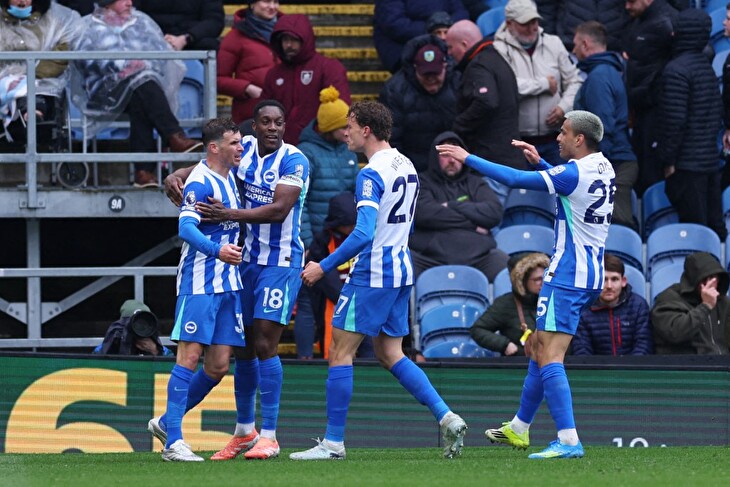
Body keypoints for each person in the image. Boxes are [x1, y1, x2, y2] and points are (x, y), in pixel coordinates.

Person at [290, 100, 467, 461]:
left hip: (373, 272)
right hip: (401, 268)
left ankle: (333, 443)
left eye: (350, 126)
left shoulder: (370, 173)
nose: (346, 133)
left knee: (340, 352)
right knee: (390, 353)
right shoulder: (407, 164)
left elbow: (363, 233)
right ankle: (446, 417)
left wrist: (323, 266)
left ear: (366, 130)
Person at [437, 109, 614, 459]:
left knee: (550, 354)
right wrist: (543, 164)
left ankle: (568, 439)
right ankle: (519, 427)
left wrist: (467, 157)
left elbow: (514, 178)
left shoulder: (573, 172)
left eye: (564, 133)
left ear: (579, 139)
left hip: (567, 275)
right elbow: (570, 187)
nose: (558, 138)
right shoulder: (603, 166)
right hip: (590, 272)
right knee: (539, 346)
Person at [164, 99, 309, 461]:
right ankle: (242, 431)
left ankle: (270, 436)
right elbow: (206, 167)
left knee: (262, 343)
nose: (273, 128)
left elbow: (279, 210)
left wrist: (228, 213)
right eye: (266, 122)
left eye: (279, 122)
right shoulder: (238, 160)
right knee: (238, 350)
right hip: (234, 266)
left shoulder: (293, 160)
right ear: (253, 128)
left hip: (278, 262)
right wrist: (176, 173)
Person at [148, 117, 246, 462]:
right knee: (188, 357)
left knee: (217, 367)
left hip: (228, 282)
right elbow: (186, 228)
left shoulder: (229, 175)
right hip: (200, 281)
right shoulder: (201, 182)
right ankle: (173, 441)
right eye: (234, 143)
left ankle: (165, 422)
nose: (241, 148)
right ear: (215, 147)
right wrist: (217, 251)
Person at [71, 0, 203, 187]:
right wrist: (122, 66)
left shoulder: (142, 21)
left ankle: (144, 173)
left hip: (141, 88)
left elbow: (161, 53)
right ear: (108, 3)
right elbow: (85, 60)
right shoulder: (87, 26)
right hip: (104, 91)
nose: (129, 3)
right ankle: (173, 137)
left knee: (140, 94)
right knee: (143, 86)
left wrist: (141, 66)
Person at [295, 86, 359, 359]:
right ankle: (304, 358)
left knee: (342, 298)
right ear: (329, 127)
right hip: (317, 242)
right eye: (343, 127)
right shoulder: (306, 154)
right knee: (308, 302)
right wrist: (308, 242)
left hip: (344, 240)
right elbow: (300, 203)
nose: (347, 132)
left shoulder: (349, 152)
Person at [656, 8, 726, 242]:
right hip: (709, 162)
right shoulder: (705, 67)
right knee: (714, 229)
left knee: (696, 233)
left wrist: (668, 161)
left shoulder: (676, 71)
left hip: (687, 166)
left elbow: (674, 122)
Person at [409, 131, 508, 282]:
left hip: (479, 256)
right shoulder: (422, 182)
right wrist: (473, 224)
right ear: (435, 157)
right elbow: (424, 214)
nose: (452, 160)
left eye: (456, 156)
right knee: (401, 265)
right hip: (429, 258)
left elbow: (494, 213)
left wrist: (451, 205)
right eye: (445, 155)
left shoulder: (476, 183)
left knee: (505, 265)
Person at [493, 0, 583, 166]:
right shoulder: (498, 49)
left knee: (560, 182)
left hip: (556, 140)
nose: (532, 28)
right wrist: (544, 84)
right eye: (525, 23)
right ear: (509, 24)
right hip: (518, 143)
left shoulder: (554, 43)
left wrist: (564, 107)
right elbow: (505, 86)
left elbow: (575, 80)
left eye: (534, 21)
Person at [445, 19, 524, 203]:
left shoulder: (479, 65)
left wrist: (458, 126)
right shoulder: (497, 60)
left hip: (491, 162)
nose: (449, 53)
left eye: (450, 47)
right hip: (510, 158)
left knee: (491, 216)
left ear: (464, 44)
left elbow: (486, 101)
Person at [572, 21, 639, 233]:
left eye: (575, 44)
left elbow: (601, 127)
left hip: (614, 164)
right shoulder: (609, 71)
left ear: (585, 44)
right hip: (616, 161)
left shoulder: (599, 77)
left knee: (616, 232)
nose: (573, 50)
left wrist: (599, 169)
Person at [0, 0, 83, 143]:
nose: (22, 2)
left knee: (33, 91)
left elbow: (63, 54)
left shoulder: (60, 17)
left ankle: (32, 113)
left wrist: (33, 74)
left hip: (43, 80)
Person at [261, 13, 351, 145]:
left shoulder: (328, 68)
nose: (289, 45)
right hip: (281, 146)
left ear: (306, 40)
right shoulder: (274, 74)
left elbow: (340, 111)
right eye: (285, 40)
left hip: (319, 146)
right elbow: (264, 111)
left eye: (294, 39)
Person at [307, 191, 374, 360]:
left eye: (355, 223)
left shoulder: (366, 239)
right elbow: (323, 276)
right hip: (336, 302)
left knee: (369, 347)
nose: (352, 228)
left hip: (364, 300)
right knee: (337, 351)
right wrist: (344, 297)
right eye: (348, 224)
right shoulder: (322, 240)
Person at [379, 34, 460, 172]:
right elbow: (391, 139)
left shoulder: (458, 84)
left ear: (445, 66)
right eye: (425, 74)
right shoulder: (395, 90)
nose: (431, 79)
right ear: (414, 68)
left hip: (453, 167)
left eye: (435, 74)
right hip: (412, 169)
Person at [622, 0, 678, 194]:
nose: (627, 6)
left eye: (631, 1)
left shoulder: (667, 22)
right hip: (641, 106)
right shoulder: (638, 21)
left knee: (651, 172)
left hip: (655, 109)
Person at [470, 252, 550, 356]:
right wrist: (504, 344)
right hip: (520, 363)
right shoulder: (505, 304)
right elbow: (478, 330)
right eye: (537, 279)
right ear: (522, 281)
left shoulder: (556, 301)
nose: (544, 282)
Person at [572, 254, 653, 356]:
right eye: (604, 280)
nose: (609, 286)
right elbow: (582, 351)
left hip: (634, 366)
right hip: (595, 366)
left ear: (623, 281)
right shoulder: (583, 309)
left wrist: (630, 365)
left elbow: (643, 346)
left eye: (614, 279)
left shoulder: (638, 305)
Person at [651, 252, 730, 355]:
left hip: (723, 361)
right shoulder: (669, 299)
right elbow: (675, 333)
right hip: (686, 362)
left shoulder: (723, 302)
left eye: (713, 278)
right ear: (693, 280)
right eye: (704, 279)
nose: (710, 284)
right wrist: (706, 306)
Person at [216, 0, 280, 124]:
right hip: (251, 115)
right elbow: (218, 79)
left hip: (285, 114)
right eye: (266, 1)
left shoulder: (288, 34)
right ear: (252, 4)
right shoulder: (235, 37)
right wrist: (247, 88)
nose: (272, 7)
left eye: (276, 2)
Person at [373, 0, 469, 73]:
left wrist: (445, 26)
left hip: (446, 52)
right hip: (405, 52)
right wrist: (434, 29)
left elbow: (461, 12)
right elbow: (394, 24)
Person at [135, 0, 224, 52]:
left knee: (209, 45)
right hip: (151, 41)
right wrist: (157, 39)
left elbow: (214, 21)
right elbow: (133, 14)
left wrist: (186, 38)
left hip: (191, 42)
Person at [93, 299, 172, 356]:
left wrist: (155, 351)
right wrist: (114, 344)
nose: (139, 328)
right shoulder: (109, 345)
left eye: (144, 324)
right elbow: (96, 364)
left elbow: (171, 365)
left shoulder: (161, 349)